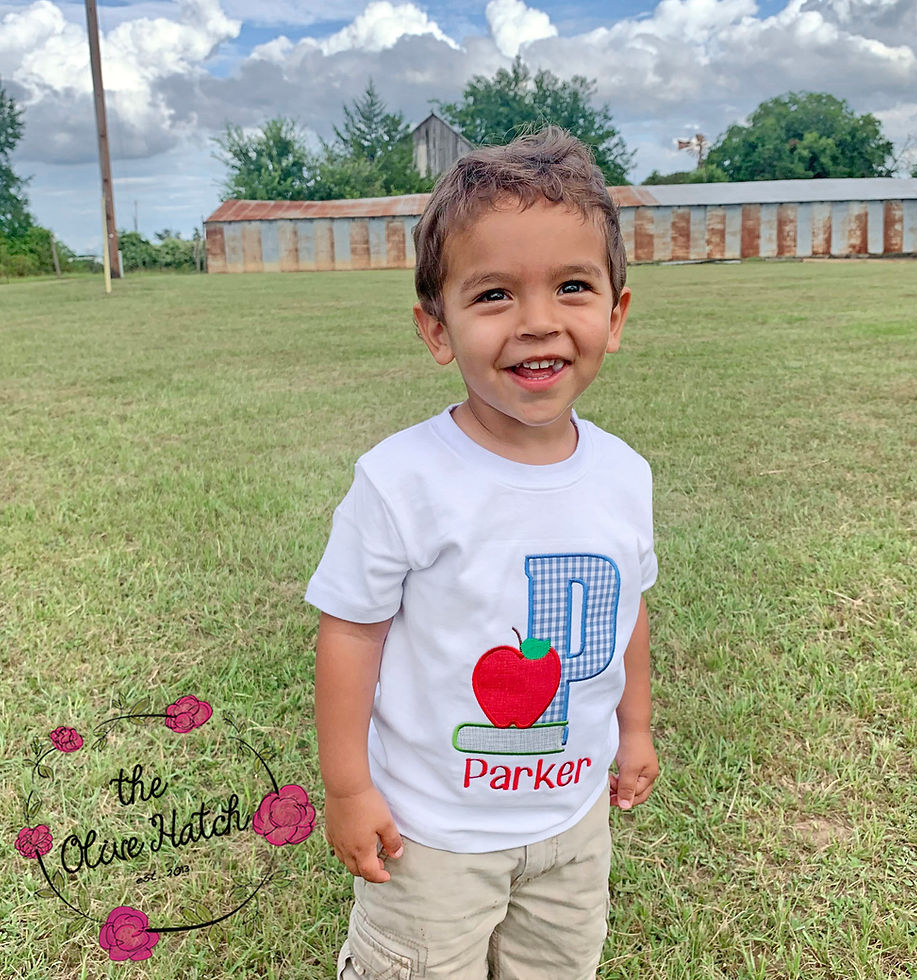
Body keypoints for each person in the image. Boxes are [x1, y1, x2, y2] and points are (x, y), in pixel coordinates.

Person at [305, 126, 658, 980]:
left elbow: (628, 606)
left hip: (571, 824)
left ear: (614, 315)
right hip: (433, 834)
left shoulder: (622, 472)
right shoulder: (403, 480)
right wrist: (351, 789)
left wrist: (635, 727)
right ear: (437, 328)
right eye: (494, 294)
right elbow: (351, 634)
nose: (539, 322)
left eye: (572, 286)